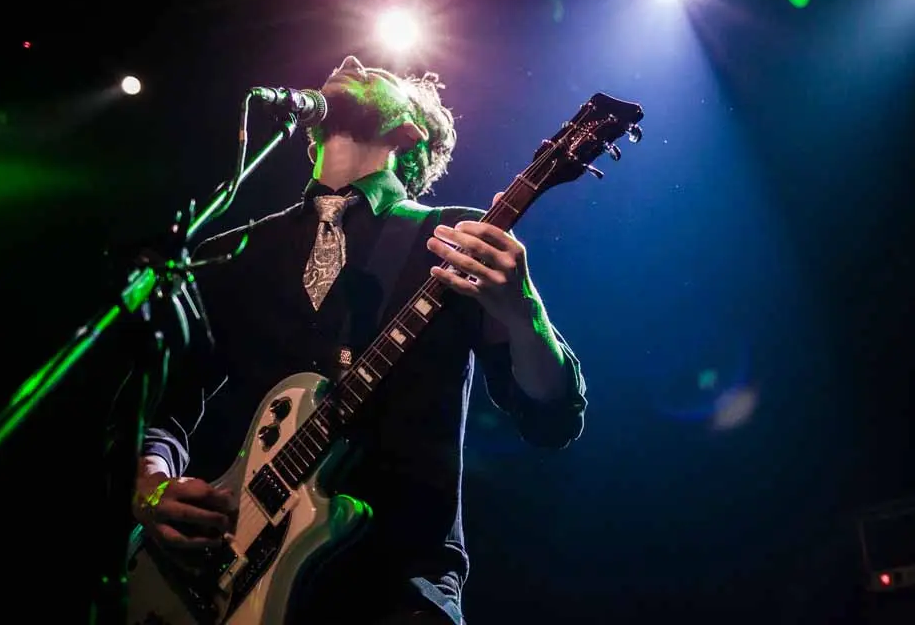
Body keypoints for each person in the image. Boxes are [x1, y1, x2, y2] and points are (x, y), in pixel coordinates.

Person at [131, 55, 587, 624]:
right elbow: (158, 406)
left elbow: (550, 419)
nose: (349, 60)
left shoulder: (454, 241)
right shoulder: (237, 251)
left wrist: (524, 314)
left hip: (396, 590)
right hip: (219, 580)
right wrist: (150, 487)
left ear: (409, 132)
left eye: (377, 74)